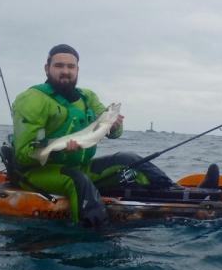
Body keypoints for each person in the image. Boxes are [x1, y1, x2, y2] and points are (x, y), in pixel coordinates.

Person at [11, 44, 180, 227]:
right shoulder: (31, 100)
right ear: (47, 69)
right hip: (36, 172)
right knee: (76, 180)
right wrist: (58, 152)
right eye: (59, 66)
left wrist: (115, 126)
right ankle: (96, 234)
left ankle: (179, 194)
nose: (65, 71)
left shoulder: (87, 97)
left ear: (77, 69)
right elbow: (23, 155)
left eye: (71, 66)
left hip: (79, 166)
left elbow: (115, 133)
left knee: (129, 160)